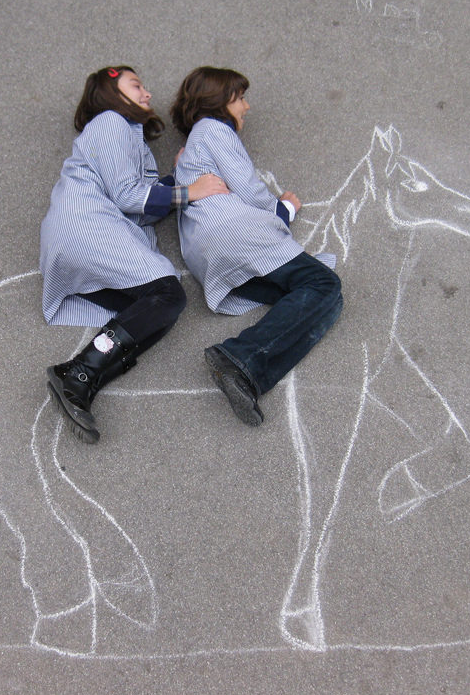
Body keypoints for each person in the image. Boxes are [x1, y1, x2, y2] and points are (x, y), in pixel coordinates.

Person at [40, 66, 228, 443]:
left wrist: (179, 179)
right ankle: (78, 372)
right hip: (86, 224)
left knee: (156, 313)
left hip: (80, 234)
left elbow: (141, 206)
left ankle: (81, 380)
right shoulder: (110, 122)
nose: (147, 93)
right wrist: (193, 192)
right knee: (167, 294)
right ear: (110, 92)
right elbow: (129, 195)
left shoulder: (124, 138)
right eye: (136, 85)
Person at [171, 66, 343, 426]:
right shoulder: (213, 128)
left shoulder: (190, 151)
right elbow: (248, 187)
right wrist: (284, 209)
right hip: (235, 235)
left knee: (315, 296)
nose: (246, 107)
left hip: (209, 252)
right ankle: (240, 357)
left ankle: (245, 375)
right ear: (218, 99)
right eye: (240, 97)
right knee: (323, 284)